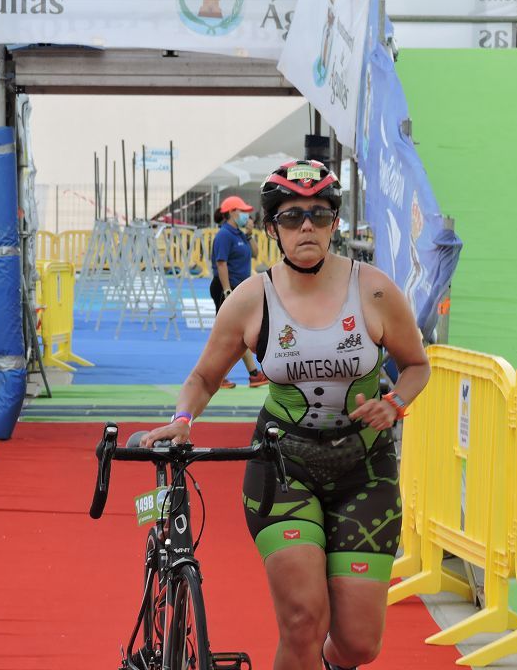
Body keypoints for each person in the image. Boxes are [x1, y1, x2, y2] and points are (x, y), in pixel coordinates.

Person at [144, 160, 430, 670]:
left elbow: (416, 365)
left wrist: (395, 403)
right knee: (302, 620)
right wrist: (182, 420)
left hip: (364, 469)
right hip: (282, 467)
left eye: (320, 216)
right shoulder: (250, 299)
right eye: (293, 216)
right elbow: (204, 378)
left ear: (334, 224)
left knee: (360, 644)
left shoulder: (375, 290)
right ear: (272, 226)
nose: (307, 227)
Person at [210, 195, 268, 389]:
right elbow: (221, 263)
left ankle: (252, 374)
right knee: (229, 335)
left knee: (238, 333)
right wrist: (227, 290)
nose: (247, 215)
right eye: (243, 211)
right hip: (226, 288)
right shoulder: (224, 235)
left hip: (238, 288)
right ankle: (219, 376)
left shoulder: (239, 233)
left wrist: (250, 234)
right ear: (232, 212)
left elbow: (255, 254)